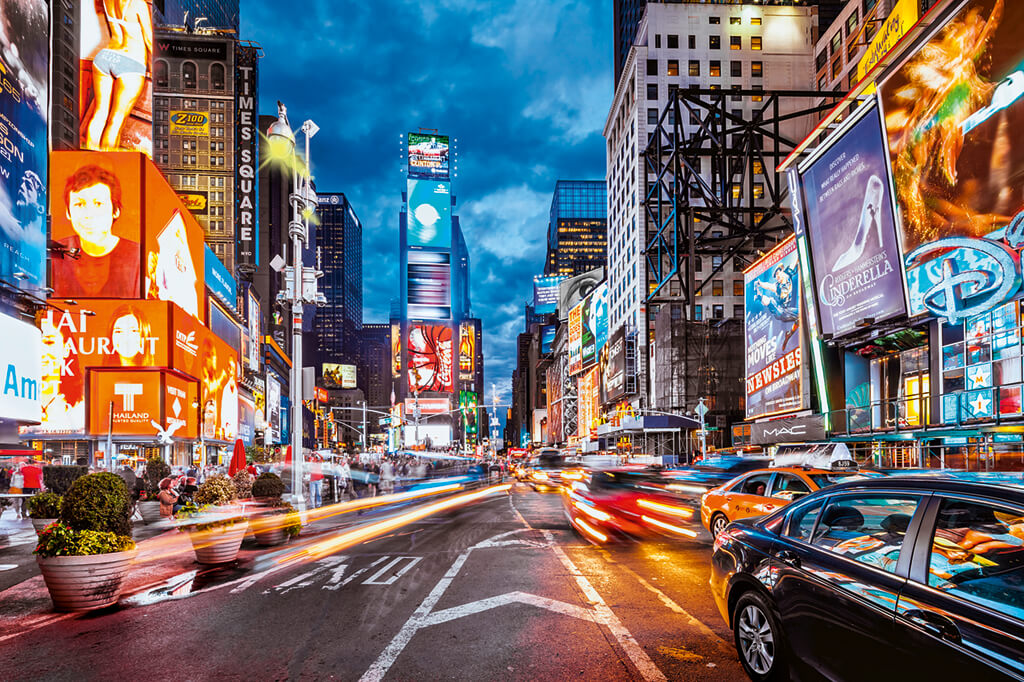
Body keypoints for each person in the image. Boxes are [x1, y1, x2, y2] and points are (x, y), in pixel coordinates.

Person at [51, 164, 140, 297]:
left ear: (115, 211)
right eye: (79, 204)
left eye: (98, 204)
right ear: (68, 213)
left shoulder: (137, 257)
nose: (89, 214)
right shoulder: (56, 254)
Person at [81, 0, 153, 152]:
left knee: (99, 114)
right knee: (116, 120)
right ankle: (106, 169)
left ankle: (87, 161)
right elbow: (149, 40)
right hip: (131, 60)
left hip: (106, 55)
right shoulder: (138, 4)